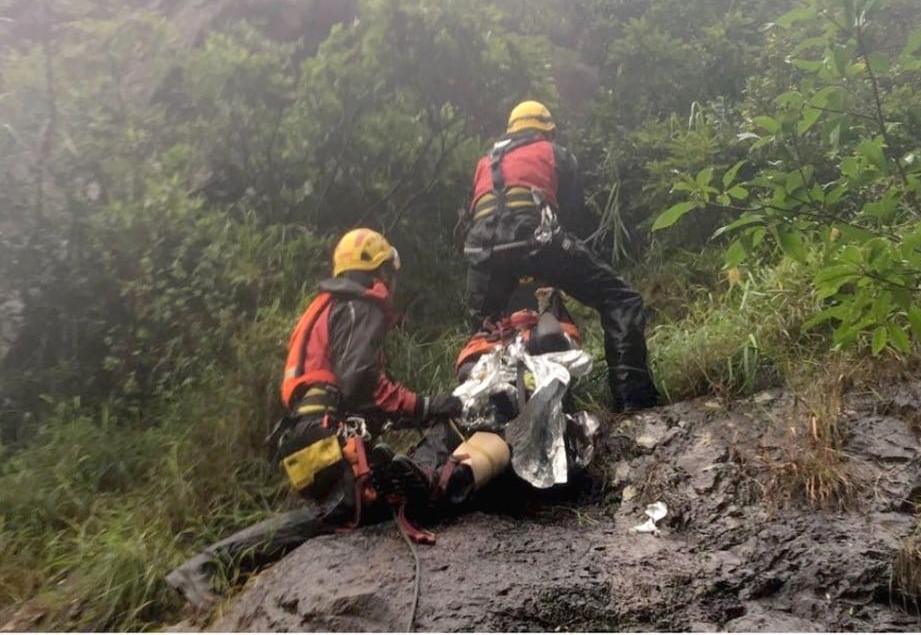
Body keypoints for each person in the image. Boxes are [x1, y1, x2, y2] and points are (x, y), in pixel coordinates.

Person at [165, 228, 508, 610]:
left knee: (344, 508)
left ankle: (213, 566)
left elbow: (356, 398)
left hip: (308, 431)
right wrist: (427, 406)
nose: (389, 282)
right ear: (378, 271)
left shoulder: (332, 306)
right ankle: (209, 565)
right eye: (387, 273)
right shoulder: (363, 305)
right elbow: (360, 381)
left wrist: (415, 415)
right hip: (323, 433)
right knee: (338, 513)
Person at [463, 100, 659, 412]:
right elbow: (572, 216)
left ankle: (492, 413)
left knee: (485, 332)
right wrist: (562, 264)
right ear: (547, 131)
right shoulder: (555, 153)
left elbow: (481, 212)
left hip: (481, 254)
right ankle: (634, 402)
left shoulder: (485, 161)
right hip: (538, 241)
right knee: (621, 300)